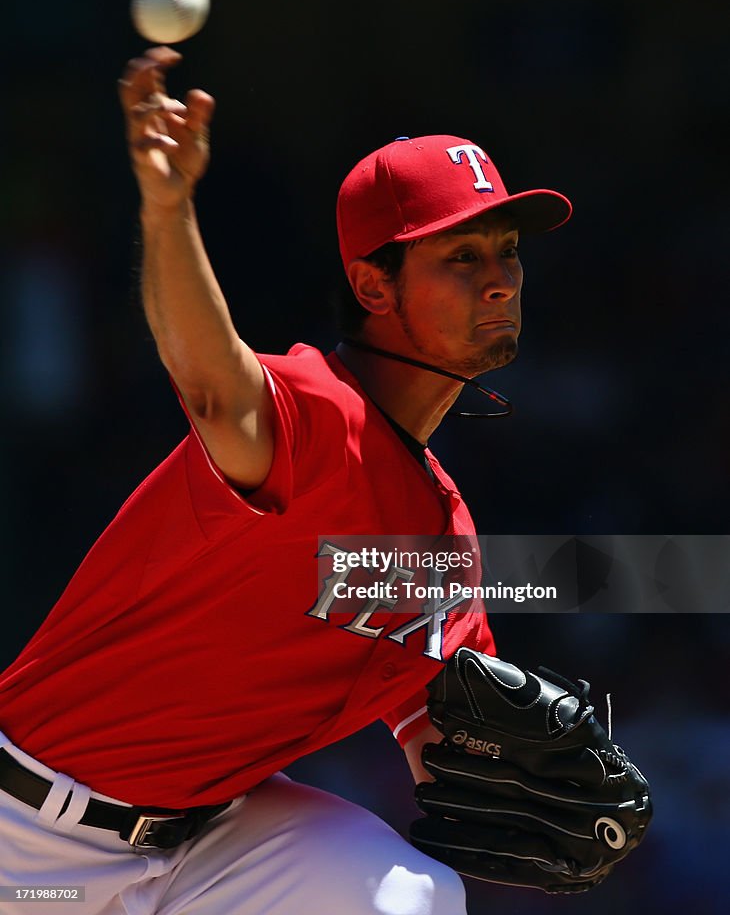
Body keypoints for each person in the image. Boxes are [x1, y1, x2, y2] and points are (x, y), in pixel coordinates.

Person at [0, 47, 572, 914]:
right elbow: (210, 385)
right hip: (28, 839)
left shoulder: (442, 541)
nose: (501, 279)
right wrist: (167, 208)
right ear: (373, 285)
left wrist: (545, 791)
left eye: (508, 250)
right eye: (462, 256)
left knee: (407, 895)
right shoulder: (315, 413)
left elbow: (451, 755)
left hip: (214, 844)